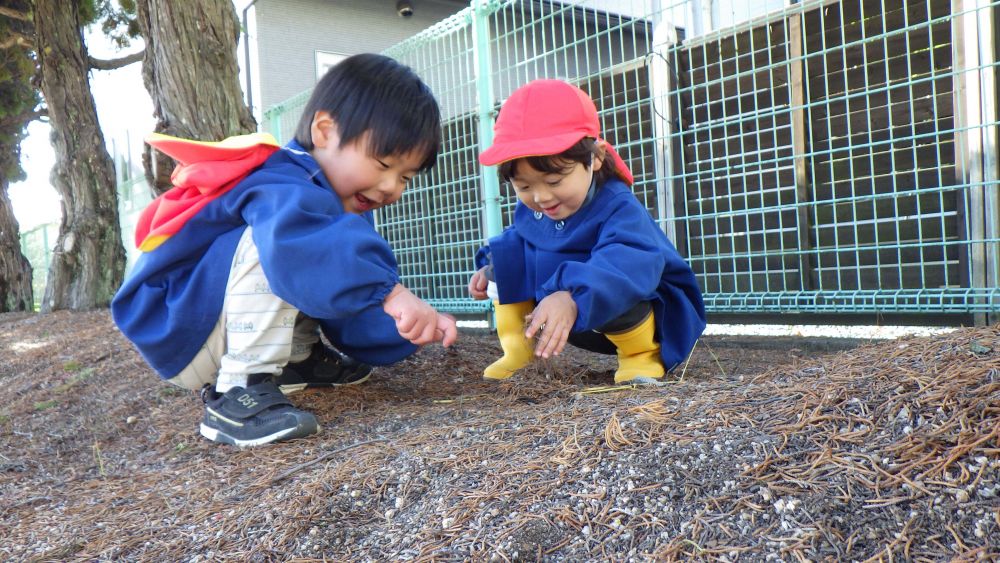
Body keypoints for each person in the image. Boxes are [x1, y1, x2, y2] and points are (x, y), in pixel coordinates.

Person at [112, 53, 457, 447]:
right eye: (383, 164)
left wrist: (401, 328)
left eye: (405, 178)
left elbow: (343, 302)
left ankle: (295, 362)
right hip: (180, 326)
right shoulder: (281, 181)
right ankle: (237, 393)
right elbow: (299, 248)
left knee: (322, 251)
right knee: (292, 242)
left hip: (210, 323)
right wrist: (390, 292)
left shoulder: (344, 202)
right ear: (324, 130)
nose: (391, 187)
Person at [467, 79, 705, 384]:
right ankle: (519, 352)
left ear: (594, 158)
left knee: (617, 278)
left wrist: (572, 296)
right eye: (524, 186)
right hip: (574, 319)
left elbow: (625, 262)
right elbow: (521, 239)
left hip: (649, 316)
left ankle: (641, 358)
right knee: (508, 258)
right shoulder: (541, 206)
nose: (540, 198)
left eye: (553, 181)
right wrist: (491, 269)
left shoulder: (619, 207)